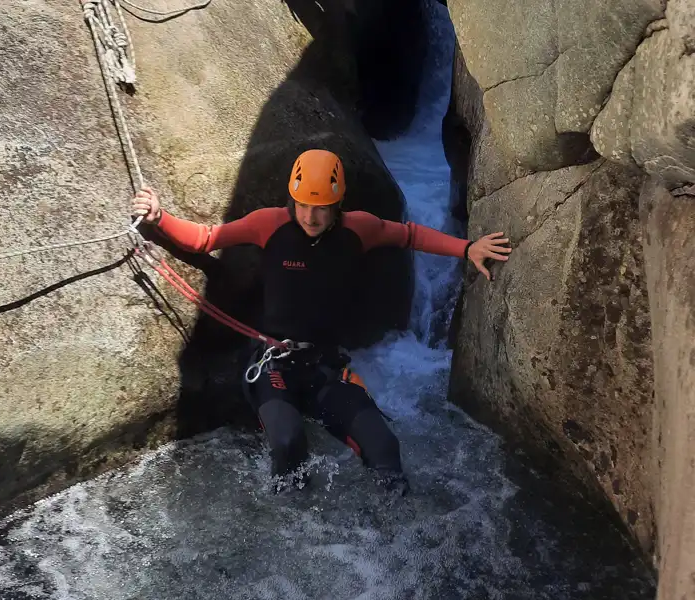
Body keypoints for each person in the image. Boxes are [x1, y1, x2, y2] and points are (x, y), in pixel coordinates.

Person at [131, 149, 510, 495]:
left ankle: (388, 544)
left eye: (322, 208)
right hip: (274, 366)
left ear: (338, 204)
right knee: (289, 446)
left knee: (385, 449)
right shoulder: (269, 225)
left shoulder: (358, 229)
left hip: (326, 367)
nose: (311, 216)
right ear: (291, 200)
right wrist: (159, 218)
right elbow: (206, 238)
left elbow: (409, 235)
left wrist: (466, 248)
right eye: (303, 205)